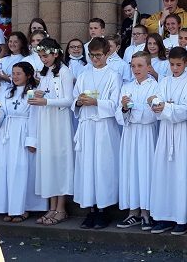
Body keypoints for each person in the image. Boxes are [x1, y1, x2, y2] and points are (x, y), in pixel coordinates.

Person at [72, 37, 122, 229]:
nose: (95, 59)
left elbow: (115, 103)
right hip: (87, 127)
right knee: (87, 168)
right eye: (92, 56)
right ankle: (91, 209)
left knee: (102, 168)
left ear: (107, 53)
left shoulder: (113, 75)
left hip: (103, 128)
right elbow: (74, 98)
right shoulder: (84, 75)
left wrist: (96, 103)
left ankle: (104, 210)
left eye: (98, 55)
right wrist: (78, 102)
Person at [148, 47, 187, 235]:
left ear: (185, 63)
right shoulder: (164, 80)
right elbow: (156, 100)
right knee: (162, 173)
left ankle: (181, 218)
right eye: (172, 64)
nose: (175, 68)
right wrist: (155, 104)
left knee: (180, 174)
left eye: (178, 65)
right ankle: (162, 216)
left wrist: (166, 106)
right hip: (165, 132)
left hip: (182, 133)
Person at [28, 38, 74, 225]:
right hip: (46, 122)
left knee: (60, 162)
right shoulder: (45, 73)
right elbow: (46, 93)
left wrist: (46, 101)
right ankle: (52, 207)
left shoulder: (65, 72)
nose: (43, 59)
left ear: (55, 53)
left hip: (59, 124)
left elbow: (69, 100)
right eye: (40, 56)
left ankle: (61, 208)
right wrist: (40, 94)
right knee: (49, 163)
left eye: (45, 56)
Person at [0, 62, 47, 222]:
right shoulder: (6, 91)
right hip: (7, 133)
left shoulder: (32, 93)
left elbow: (35, 117)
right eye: (13, 73)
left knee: (21, 169)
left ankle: (23, 208)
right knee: (5, 168)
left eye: (19, 73)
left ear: (28, 75)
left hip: (23, 133)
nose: (15, 76)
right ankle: (8, 207)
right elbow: (2, 109)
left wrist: (32, 140)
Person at [115, 51, 158, 231]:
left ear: (148, 67)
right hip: (130, 134)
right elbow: (118, 115)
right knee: (131, 171)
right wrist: (125, 109)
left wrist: (135, 109)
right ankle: (133, 212)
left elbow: (152, 115)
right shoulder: (126, 87)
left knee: (146, 170)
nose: (136, 69)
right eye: (133, 66)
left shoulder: (155, 86)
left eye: (140, 66)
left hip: (147, 134)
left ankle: (147, 212)